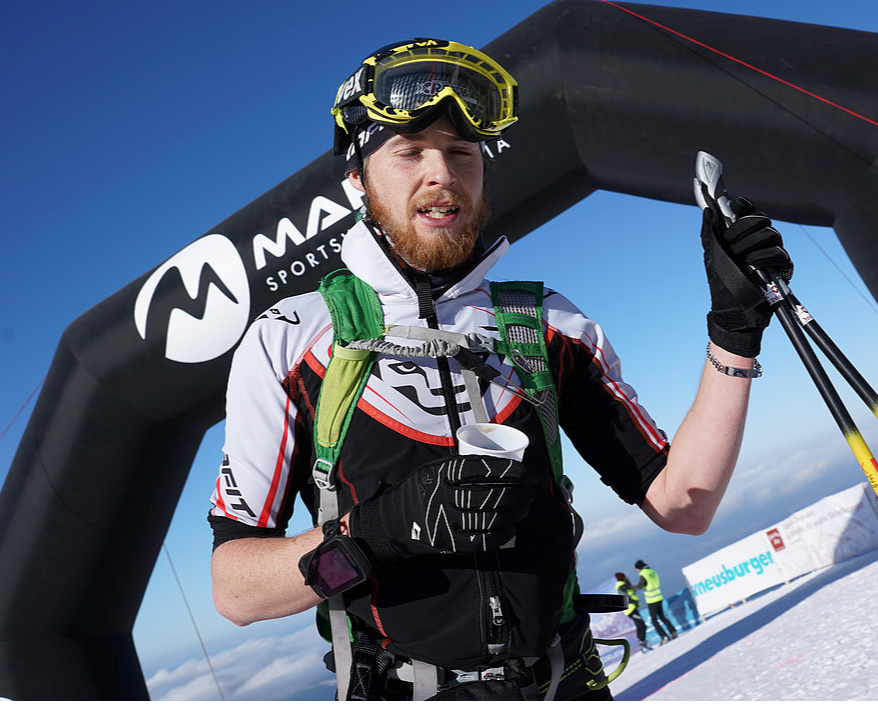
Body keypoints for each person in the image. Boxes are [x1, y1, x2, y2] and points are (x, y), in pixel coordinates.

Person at [208, 38, 793, 701]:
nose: (442, 173)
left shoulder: (547, 323)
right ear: (357, 179)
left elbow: (683, 504)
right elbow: (236, 590)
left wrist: (734, 331)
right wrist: (378, 531)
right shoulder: (290, 340)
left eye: (463, 152)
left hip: (568, 681)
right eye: (409, 151)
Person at [633, 560, 677, 645]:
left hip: (651, 599)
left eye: (637, 569)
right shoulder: (651, 571)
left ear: (639, 568)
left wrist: (631, 587)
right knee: (662, 617)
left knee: (654, 620)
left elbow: (640, 586)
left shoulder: (643, 574)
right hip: (658, 596)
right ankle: (673, 632)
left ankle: (664, 637)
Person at [614, 573, 650, 652]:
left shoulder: (624, 584)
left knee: (640, 625)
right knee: (642, 625)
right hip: (630, 610)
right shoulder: (622, 586)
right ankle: (642, 642)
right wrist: (634, 601)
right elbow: (625, 598)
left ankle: (642, 642)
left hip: (633, 608)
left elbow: (634, 589)